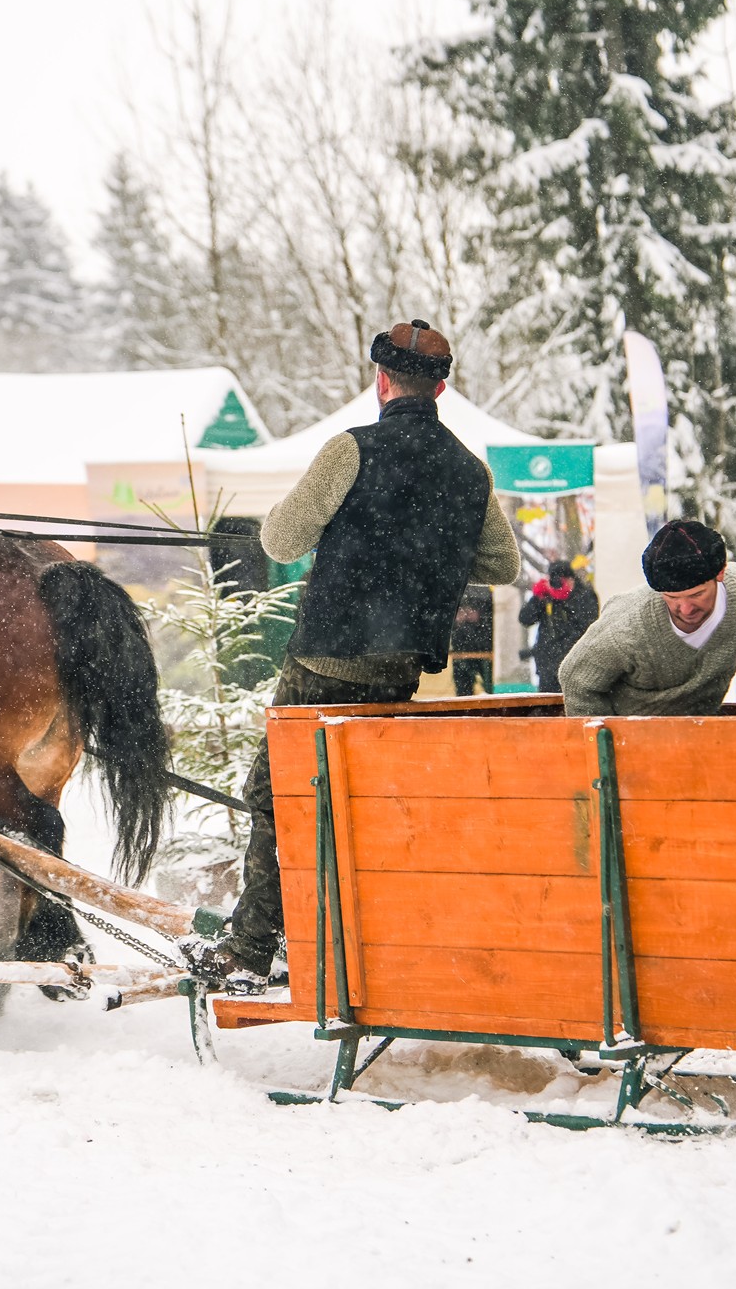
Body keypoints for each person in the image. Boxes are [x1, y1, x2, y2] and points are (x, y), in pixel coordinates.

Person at [205, 320, 521, 981]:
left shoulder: (350, 449)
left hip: (325, 660)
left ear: (381, 381)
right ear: (441, 388)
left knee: (276, 796)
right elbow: (503, 565)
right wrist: (428, 548)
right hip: (399, 670)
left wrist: (358, 534)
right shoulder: (470, 469)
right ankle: (349, 936)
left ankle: (251, 949)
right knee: (361, 801)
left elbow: (281, 541)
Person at [558, 520, 736, 717]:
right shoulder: (628, 626)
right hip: (634, 732)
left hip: (703, 727)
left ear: (720, 573)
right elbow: (575, 677)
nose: (685, 608)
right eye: (672, 598)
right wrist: (606, 743)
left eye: (697, 595)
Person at [518, 557, 599, 692]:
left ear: (571, 579)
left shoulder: (585, 595)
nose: (557, 585)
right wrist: (538, 598)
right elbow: (525, 619)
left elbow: (588, 625)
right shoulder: (546, 597)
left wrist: (566, 600)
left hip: (576, 665)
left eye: (561, 581)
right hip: (547, 667)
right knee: (548, 703)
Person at [449, 584, 496, 695]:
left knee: (488, 689)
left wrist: (479, 617)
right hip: (461, 651)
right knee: (463, 690)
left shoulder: (486, 591)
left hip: (484, 651)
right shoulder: (458, 588)